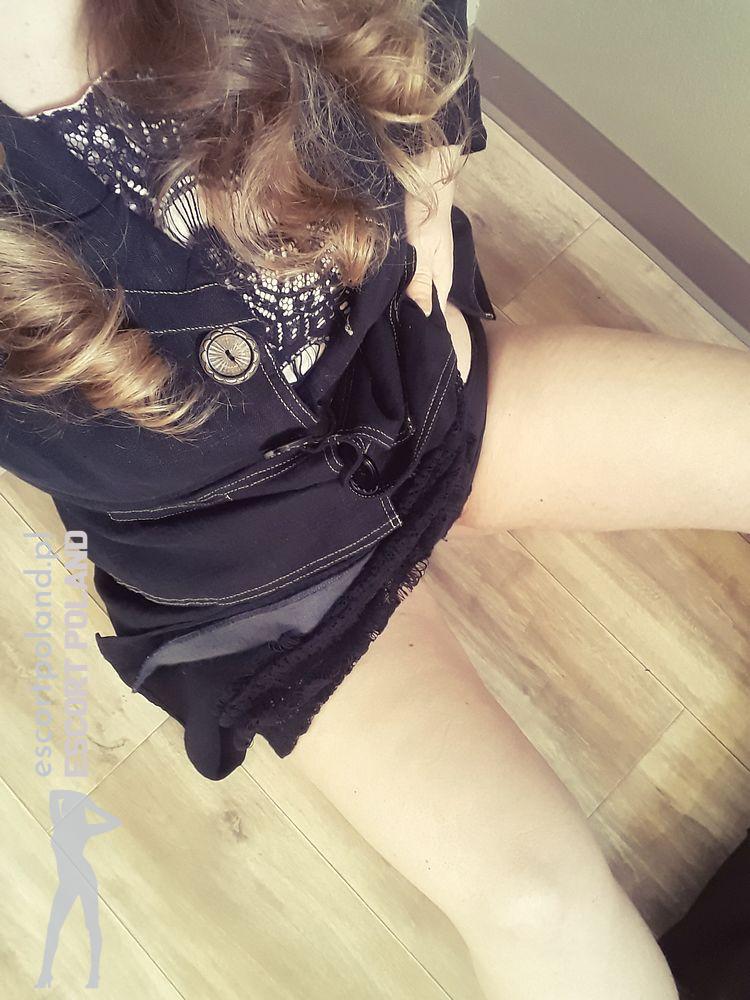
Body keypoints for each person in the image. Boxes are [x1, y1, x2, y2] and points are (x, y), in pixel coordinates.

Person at [2, 1, 748, 997]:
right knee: (537, 907)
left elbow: (417, 32)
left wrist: (430, 195)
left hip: (411, 365)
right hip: (239, 554)